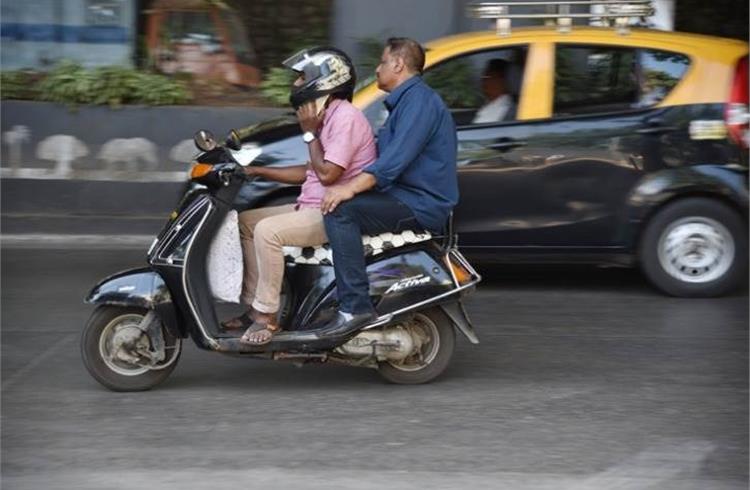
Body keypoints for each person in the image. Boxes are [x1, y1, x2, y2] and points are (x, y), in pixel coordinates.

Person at [221, 47, 377, 345]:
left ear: (324, 80)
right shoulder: (328, 116)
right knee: (245, 223)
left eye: (302, 77)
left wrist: (309, 134)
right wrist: (258, 171)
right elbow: (311, 170)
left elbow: (329, 175)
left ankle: (267, 317)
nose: (296, 85)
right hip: (310, 206)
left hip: (331, 212)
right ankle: (255, 306)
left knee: (268, 231)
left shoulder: (345, 118)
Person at [318, 37, 458, 334]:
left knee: (341, 211)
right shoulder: (406, 102)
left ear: (398, 64)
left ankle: (355, 308)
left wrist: (350, 188)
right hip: (404, 196)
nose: (378, 69)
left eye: (382, 63)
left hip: (419, 203)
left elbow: (393, 162)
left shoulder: (419, 102)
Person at [472, 58, 516, 124]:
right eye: (483, 77)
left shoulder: (500, 110)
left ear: (502, 80)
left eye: (487, 77)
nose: (483, 81)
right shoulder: (494, 105)